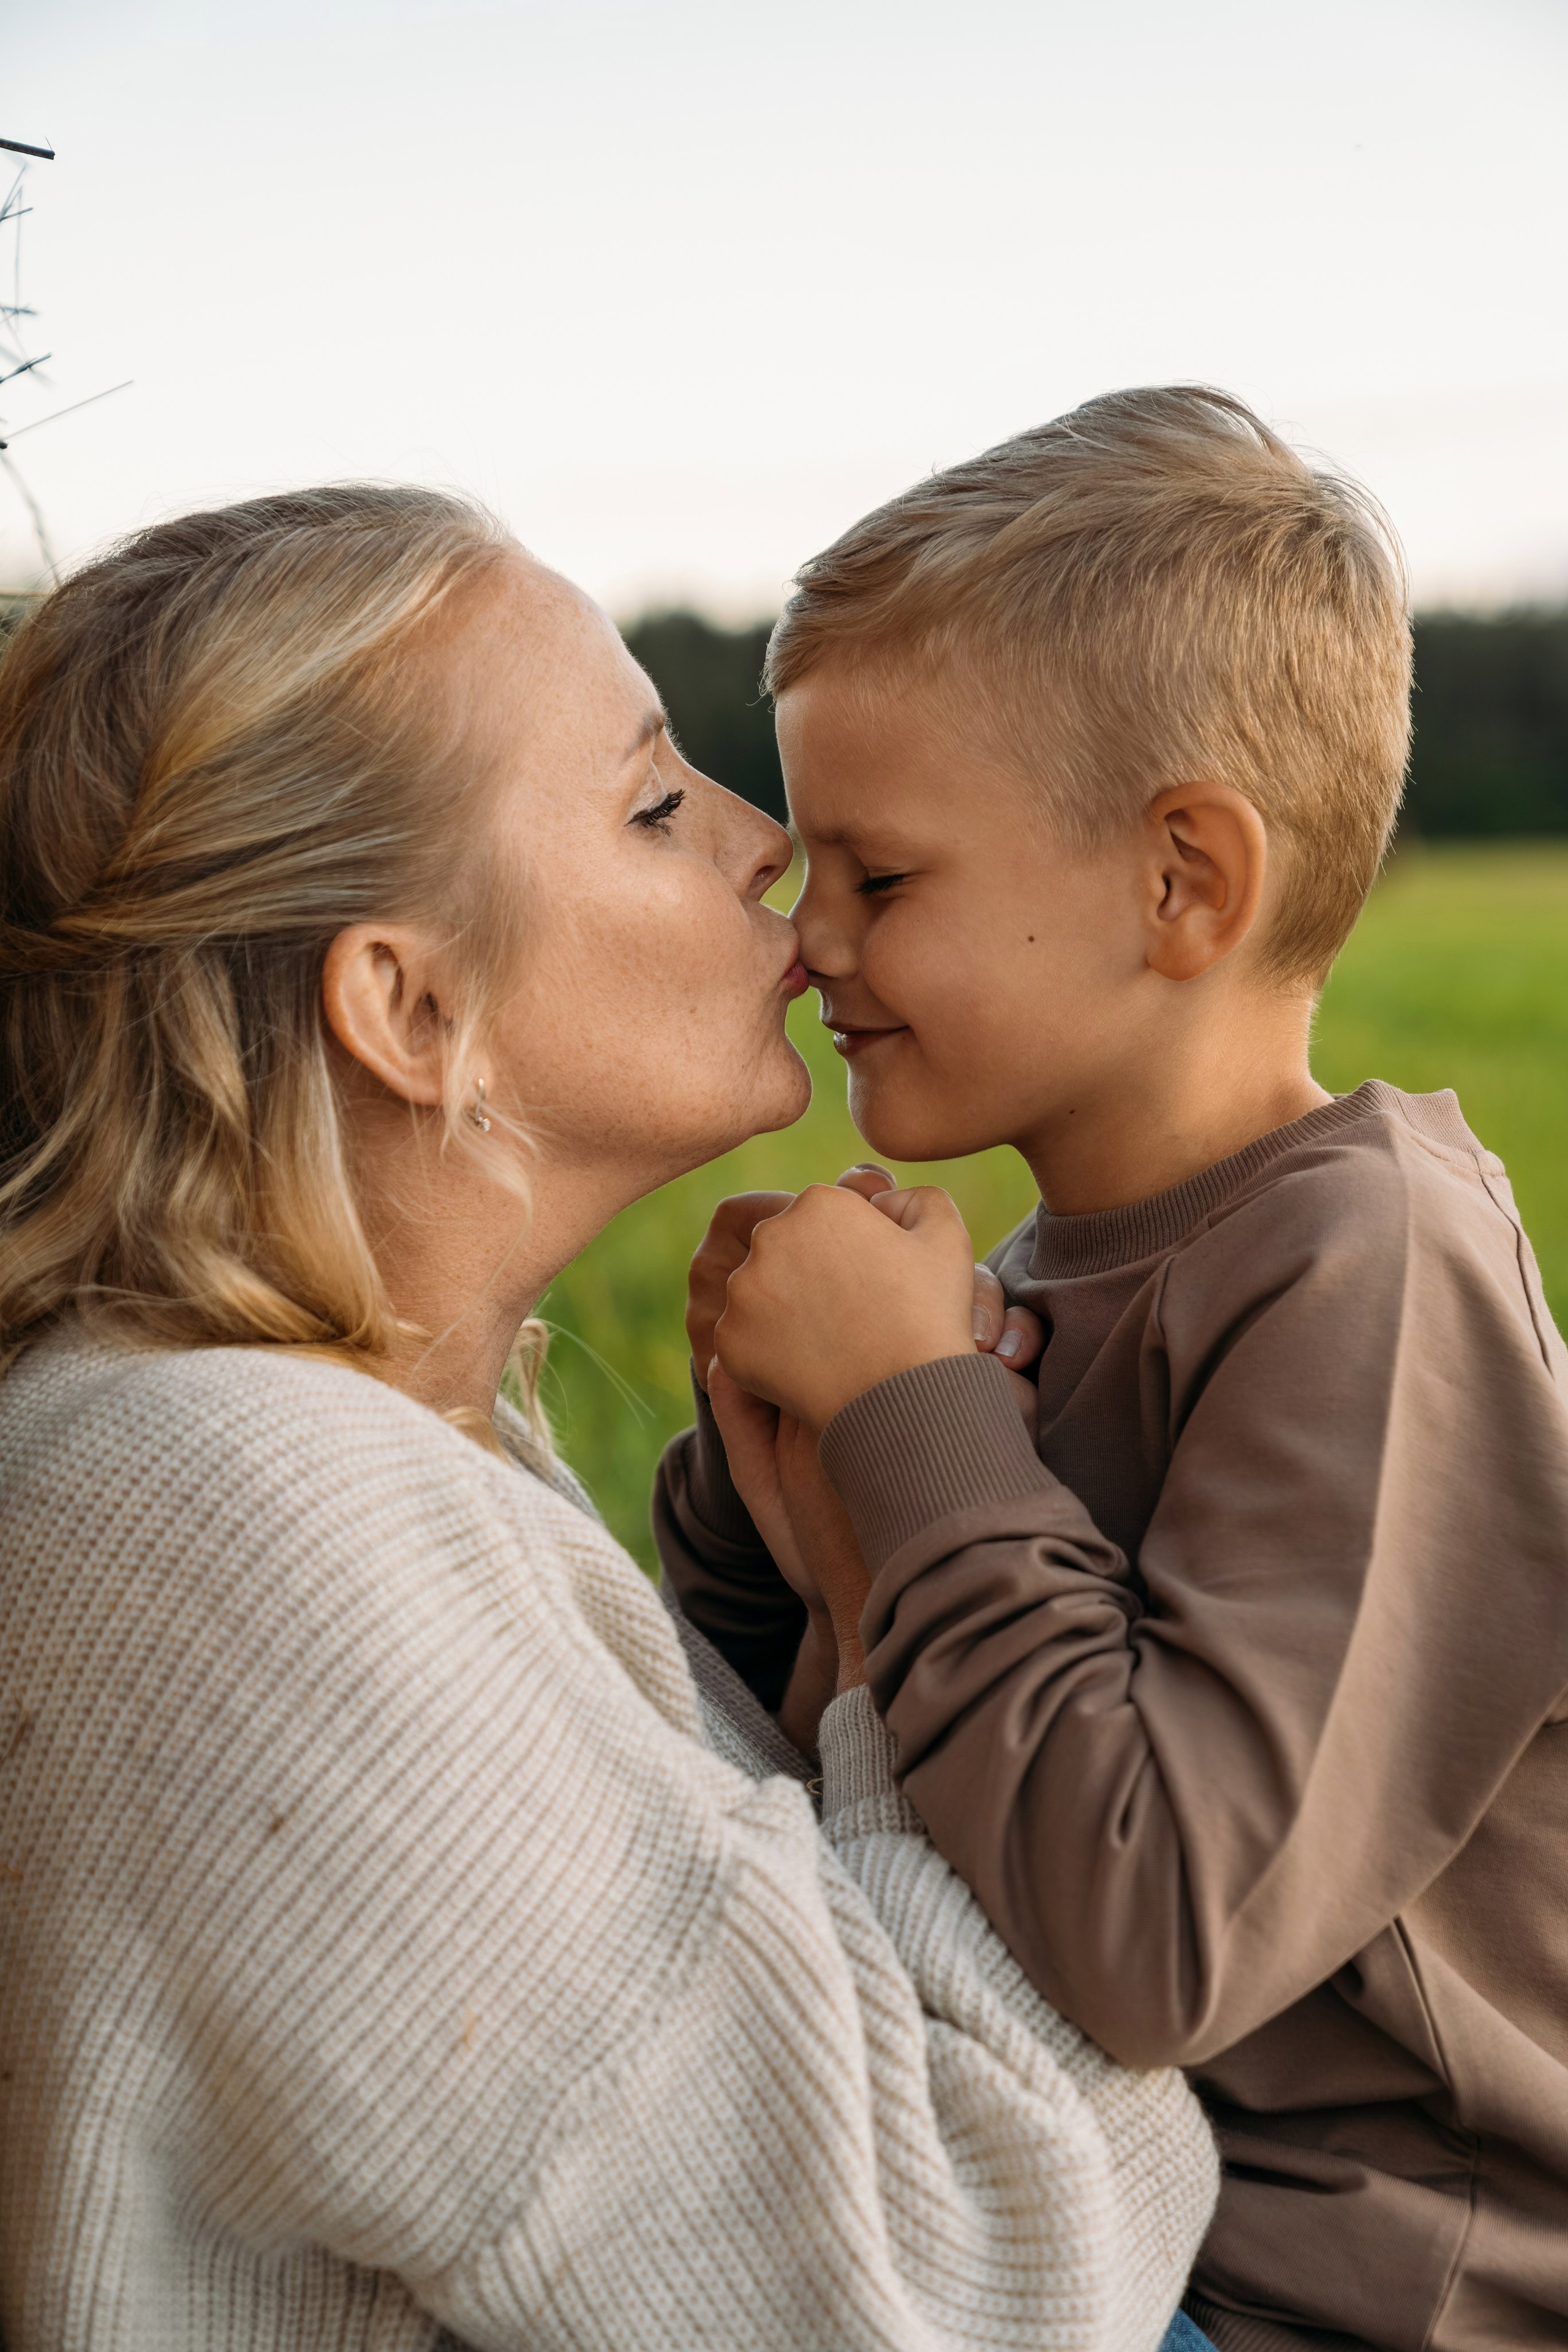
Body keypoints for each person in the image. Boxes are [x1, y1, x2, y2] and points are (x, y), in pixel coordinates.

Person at [0, 484, 1217, 2351]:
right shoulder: (250, 1510)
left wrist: (830, 1619)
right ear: (410, 1010)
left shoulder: (349, 1444)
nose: (767, 853)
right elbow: (990, 2285)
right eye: (656, 804)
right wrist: (914, 1576)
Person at [655, 389, 1568, 2352]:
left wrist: (916, 1421)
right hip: (1071, 2205)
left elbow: (1157, 1936)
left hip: (1327, 2296)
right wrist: (765, 1477)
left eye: (881, 878)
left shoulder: (1375, 1262)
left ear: (1185, 886)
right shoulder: (1016, 1285)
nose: (809, 943)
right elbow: (782, 1763)